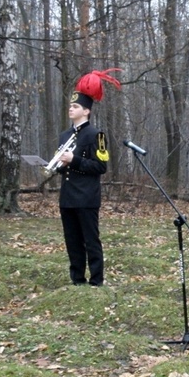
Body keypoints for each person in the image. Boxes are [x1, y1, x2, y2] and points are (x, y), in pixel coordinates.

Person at [56, 69, 122, 287]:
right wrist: (56, 164)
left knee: (90, 240)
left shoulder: (97, 135)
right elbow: (64, 166)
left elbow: (100, 166)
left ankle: (96, 280)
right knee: (72, 241)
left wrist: (73, 160)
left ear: (86, 111)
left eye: (75, 106)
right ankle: (77, 279)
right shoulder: (65, 135)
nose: (70, 109)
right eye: (70, 106)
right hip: (67, 196)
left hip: (86, 197)